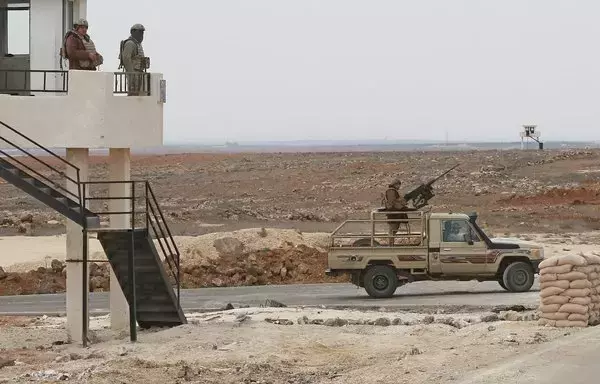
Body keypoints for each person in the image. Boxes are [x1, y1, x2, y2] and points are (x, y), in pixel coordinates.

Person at [119, 23, 150, 95]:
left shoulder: (137, 44)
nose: (141, 35)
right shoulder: (130, 43)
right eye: (139, 32)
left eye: (142, 32)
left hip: (139, 72)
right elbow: (126, 58)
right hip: (134, 72)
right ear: (133, 32)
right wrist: (131, 74)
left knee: (137, 93)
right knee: (133, 92)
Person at [382, 179, 413, 245]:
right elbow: (392, 202)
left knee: (394, 230)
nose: (399, 186)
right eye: (398, 185)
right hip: (393, 214)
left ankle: (391, 245)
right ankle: (390, 245)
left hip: (395, 214)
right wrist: (402, 206)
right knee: (392, 230)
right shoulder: (391, 191)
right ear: (395, 184)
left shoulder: (393, 191)